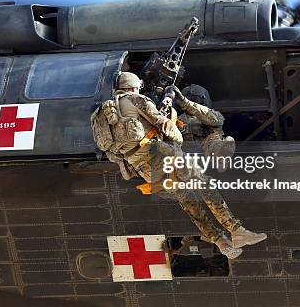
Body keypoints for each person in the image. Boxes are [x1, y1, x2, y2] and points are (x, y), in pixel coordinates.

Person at [113, 72, 267, 259]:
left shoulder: (106, 113)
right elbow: (164, 125)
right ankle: (237, 231)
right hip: (163, 154)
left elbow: (111, 152)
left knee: (188, 200)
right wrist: (175, 139)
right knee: (205, 185)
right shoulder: (136, 100)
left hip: (144, 168)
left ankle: (220, 241)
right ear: (133, 87)